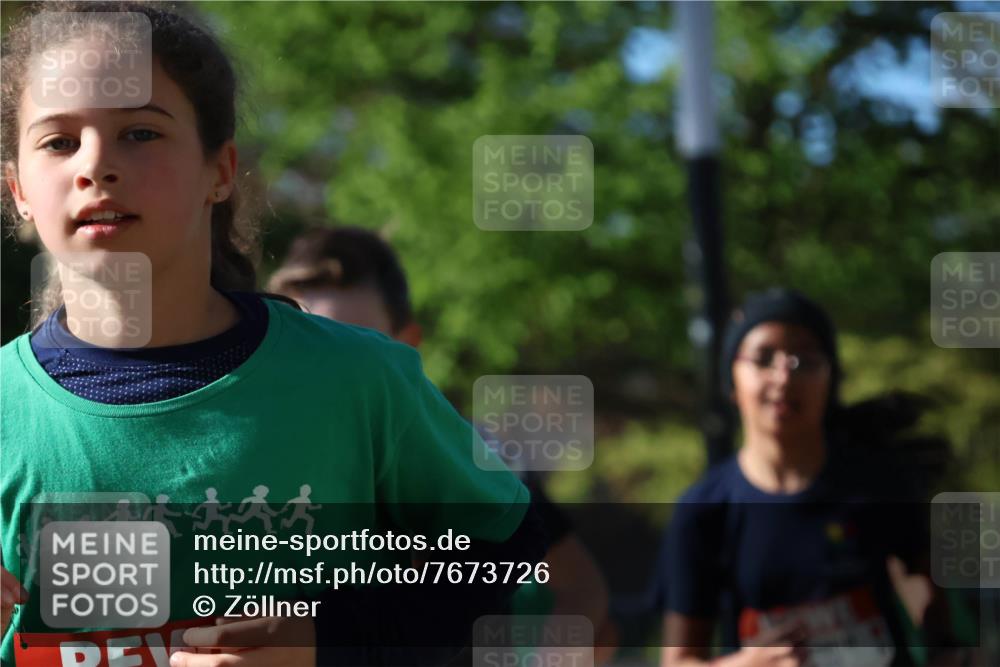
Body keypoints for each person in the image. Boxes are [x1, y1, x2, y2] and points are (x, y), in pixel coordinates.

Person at [0, 3, 544, 666]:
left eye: (140, 133)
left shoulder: (358, 380)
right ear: (18, 189)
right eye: (58, 141)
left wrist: (334, 640)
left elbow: (514, 567)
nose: (96, 165)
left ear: (220, 171)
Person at [269, 225, 617, 664]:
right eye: (308, 344)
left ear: (407, 346)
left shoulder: (469, 458)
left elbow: (580, 588)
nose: (333, 369)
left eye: (356, 347)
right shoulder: (247, 462)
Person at [659, 289, 964, 667]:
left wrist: (946, 647)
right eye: (763, 358)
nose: (784, 375)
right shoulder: (703, 509)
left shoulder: (876, 481)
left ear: (831, 377)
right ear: (731, 381)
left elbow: (918, 577)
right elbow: (679, 660)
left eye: (804, 359)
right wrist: (746, 664)